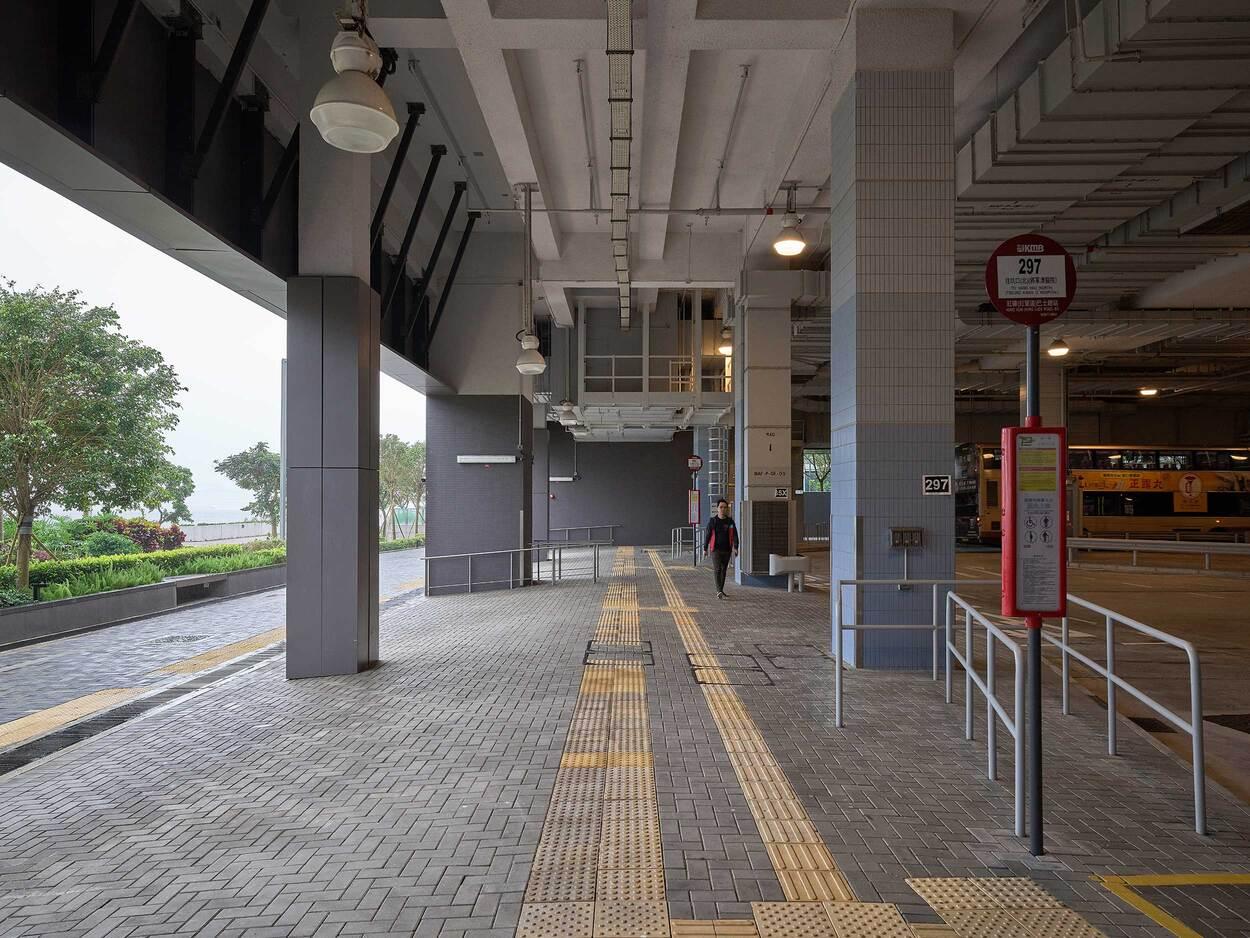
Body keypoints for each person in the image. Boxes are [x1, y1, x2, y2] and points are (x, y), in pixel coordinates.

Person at [704, 498, 738, 600]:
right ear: (717, 508)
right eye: (721, 507)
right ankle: (718, 590)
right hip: (716, 549)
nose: (723, 509)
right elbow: (708, 535)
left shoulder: (730, 521)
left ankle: (721, 590)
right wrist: (705, 548)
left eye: (725, 507)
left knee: (724, 570)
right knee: (717, 569)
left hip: (727, 549)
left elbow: (735, 535)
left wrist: (736, 547)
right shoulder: (713, 521)